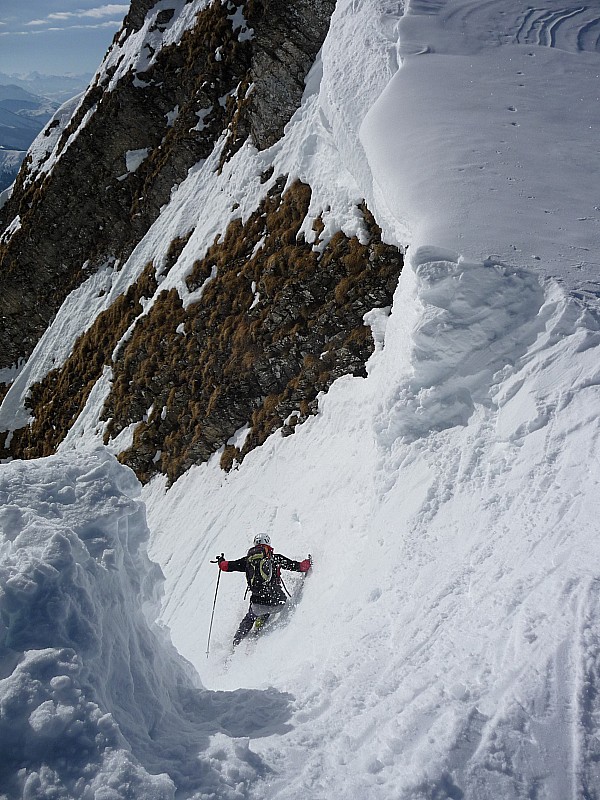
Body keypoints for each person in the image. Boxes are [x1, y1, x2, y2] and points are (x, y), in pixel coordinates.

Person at [217, 534, 311, 646]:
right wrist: (308, 562)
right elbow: (300, 567)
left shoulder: (247, 561)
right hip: (278, 603)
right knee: (269, 602)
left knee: (250, 616)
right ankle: (261, 622)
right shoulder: (275, 558)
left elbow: (225, 566)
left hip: (257, 606)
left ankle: (236, 641)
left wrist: (221, 561)